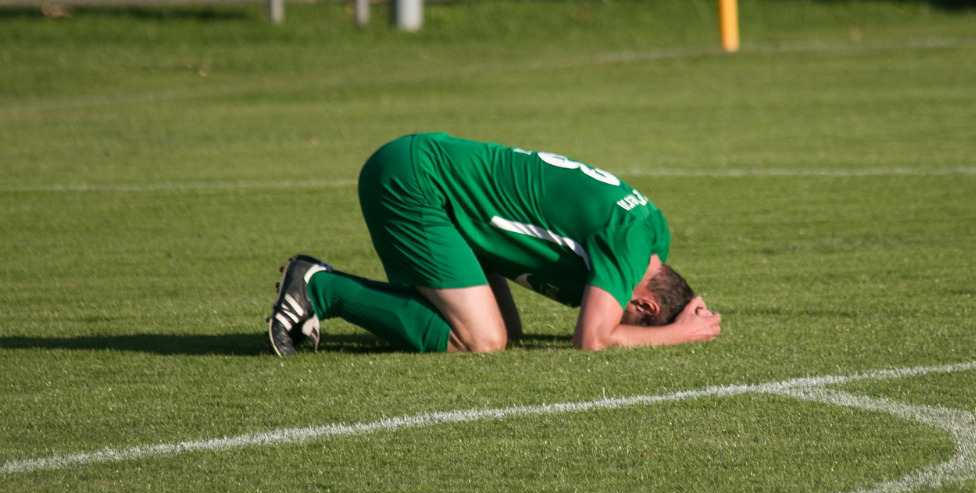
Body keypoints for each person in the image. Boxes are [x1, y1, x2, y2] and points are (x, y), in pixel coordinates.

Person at [267, 132, 721, 356]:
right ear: (644, 307)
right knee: (481, 339)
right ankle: (319, 287)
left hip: (435, 185)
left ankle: (350, 295)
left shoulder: (652, 232)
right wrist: (681, 333)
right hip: (416, 183)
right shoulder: (629, 244)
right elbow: (593, 339)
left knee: (505, 330)